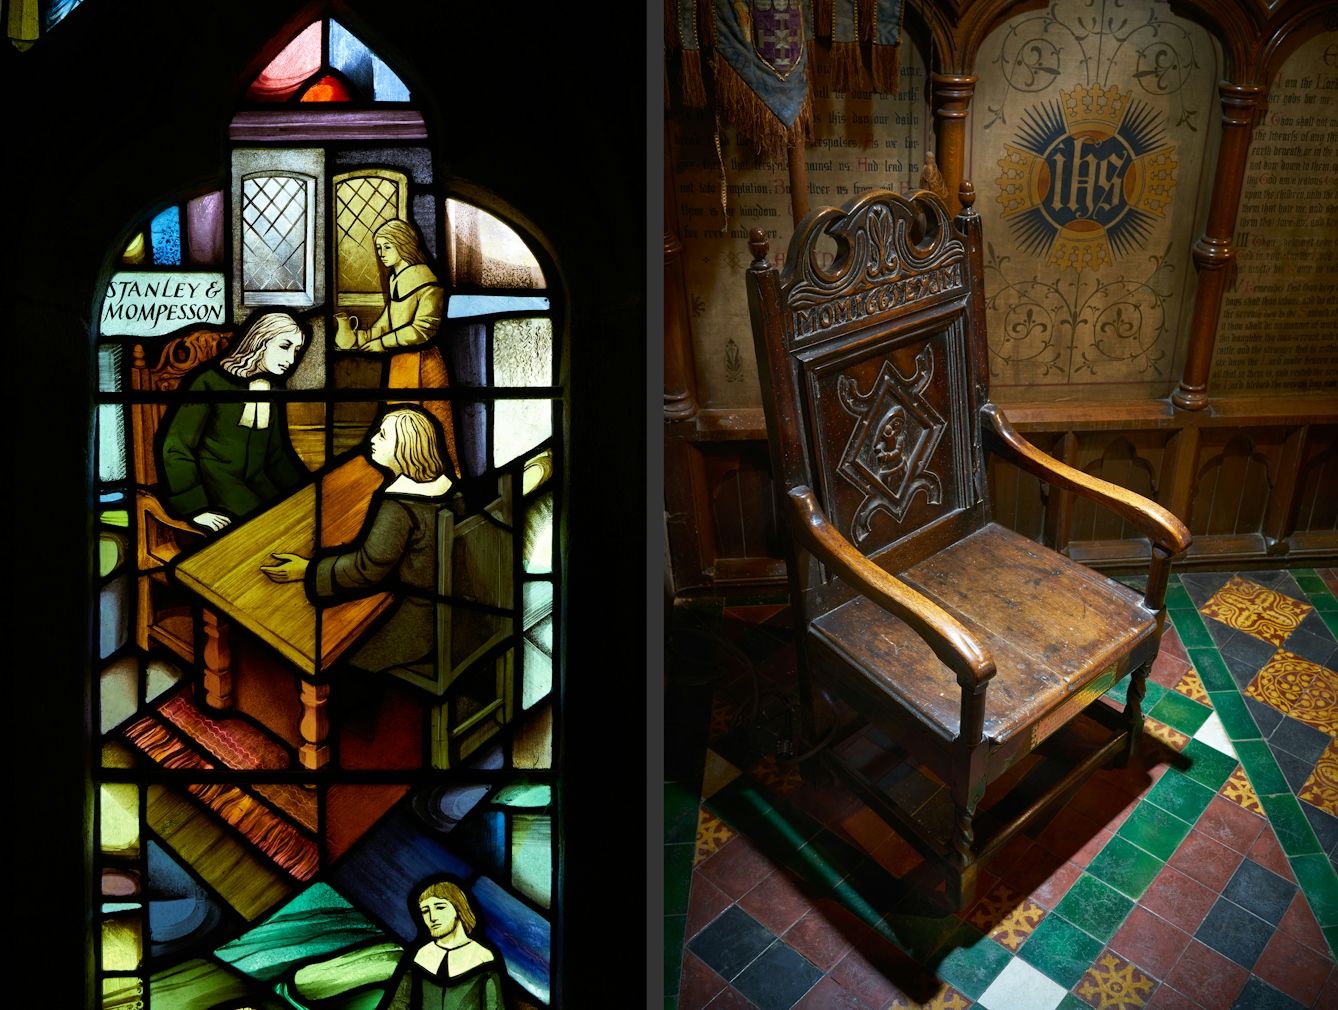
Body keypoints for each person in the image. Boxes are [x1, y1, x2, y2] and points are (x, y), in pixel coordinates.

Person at [260, 405, 463, 677]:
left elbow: (365, 569)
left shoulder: (401, 505)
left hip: (421, 622)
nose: (372, 439)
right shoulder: (449, 488)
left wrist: (307, 571)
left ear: (405, 449)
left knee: (341, 662)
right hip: (454, 612)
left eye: (382, 435)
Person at [160, 312, 308, 532]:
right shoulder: (208, 383)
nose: (291, 359)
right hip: (217, 486)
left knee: (302, 519)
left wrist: (308, 491)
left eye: (296, 350)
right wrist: (197, 508)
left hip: (260, 482)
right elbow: (176, 448)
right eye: (284, 346)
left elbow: (277, 456)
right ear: (259, 342)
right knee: (269, 528)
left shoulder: (273, 389)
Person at [335, 218, 460, 477]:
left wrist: (380, 343)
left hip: (423, 364)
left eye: (387, 247)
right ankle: (402, 473)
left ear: (404, 245)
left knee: (425, 425)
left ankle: (436, 477)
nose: (381, 254)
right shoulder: (396, 280)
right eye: (378, 248)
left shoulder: (428, 283)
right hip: (400, 364)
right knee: (398, 428)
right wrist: (360, 338)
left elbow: (423, 329)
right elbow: (386, 323)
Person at [381, 879, 504, 1010]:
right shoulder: (420, 956)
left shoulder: (482, 957)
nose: (432, 917)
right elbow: (398, 1005)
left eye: (440, 907)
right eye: (425, 911)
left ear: (458, 908)